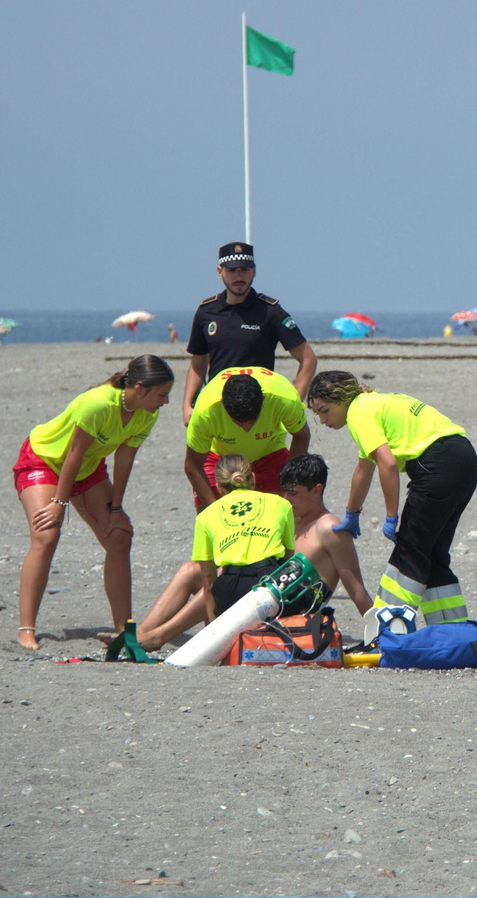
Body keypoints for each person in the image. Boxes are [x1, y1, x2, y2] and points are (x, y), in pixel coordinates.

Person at [11, 354, 174, 650]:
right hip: (45, 460)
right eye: (162, 395)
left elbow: (124, 458)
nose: (166, 402)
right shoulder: (97, 403)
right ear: (140, 389)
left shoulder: (147, 413)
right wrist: (59, 504)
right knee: (47, 535)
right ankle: (26, 630)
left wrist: (115, 509)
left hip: (88, 467)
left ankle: (124, 631)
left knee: (120, 535)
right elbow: (72, 453)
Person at [305, 371, 475, 626]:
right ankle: (452, 630)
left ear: (341, 400)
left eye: (325, 411)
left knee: (409, 551)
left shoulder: (358, 412)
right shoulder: (373, 403)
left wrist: (391, 516)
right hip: (463, 458)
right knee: (433, 554)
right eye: (317, 414)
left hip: (437, 465)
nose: (322, 420)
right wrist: (352, 513)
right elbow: (364, 468)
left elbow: (387, 464)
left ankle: (386, 631)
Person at [132, 455, 297, 653]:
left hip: (231, 590)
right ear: (252, 479)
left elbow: (209, 586)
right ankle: (148, 634)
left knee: (209, 578)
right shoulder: (281, 504)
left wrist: (216, 632)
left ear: (218, 487)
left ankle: (150, 636)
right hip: (269, 590)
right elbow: (287, 562)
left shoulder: (205, 517)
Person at [182, 242, 317, 426]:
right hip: (218, 408)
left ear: (254, 271)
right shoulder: (206, 311)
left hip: (259, 411)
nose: (239, 277)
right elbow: (198, 365)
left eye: (245, 270)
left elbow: (307, 358)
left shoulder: (270, 311)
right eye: (232, 271)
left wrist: (293, 402)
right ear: (220, 272)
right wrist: (187, 406)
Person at [185, 366, 310, 510]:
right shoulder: (205, 411)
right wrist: (215, 512)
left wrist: (289, 483)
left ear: (263, 399)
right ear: (223, 404)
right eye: (238, 423)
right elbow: (192, 466)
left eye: (252, 421)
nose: (247, 429)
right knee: (208, 517)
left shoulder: (284, 399)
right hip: (221, 457)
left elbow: (302, 436)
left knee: (283, 512)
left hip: (269, 452)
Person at [278, 453, 375, 620]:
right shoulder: (290, 521)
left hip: (300, 614)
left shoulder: (328, 529)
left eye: (293, 493)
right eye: (284, 491)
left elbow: (356, 590)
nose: (286, 499)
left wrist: (383, 633)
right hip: (275, 605)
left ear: (316, 491)